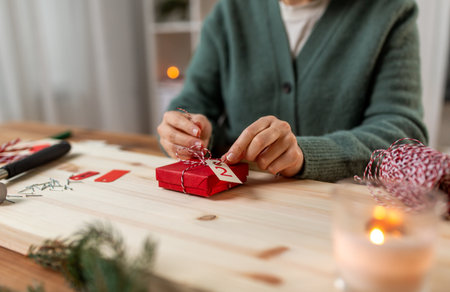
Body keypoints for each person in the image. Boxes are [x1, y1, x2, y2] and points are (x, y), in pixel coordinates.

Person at [157, 0, 427, 182]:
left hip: (347, 214)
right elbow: (192, 103)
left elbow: (402, 132)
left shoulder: (389, 11)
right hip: (240, 205)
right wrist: (188, 131)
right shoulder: (230, 11)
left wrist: (306, 154)